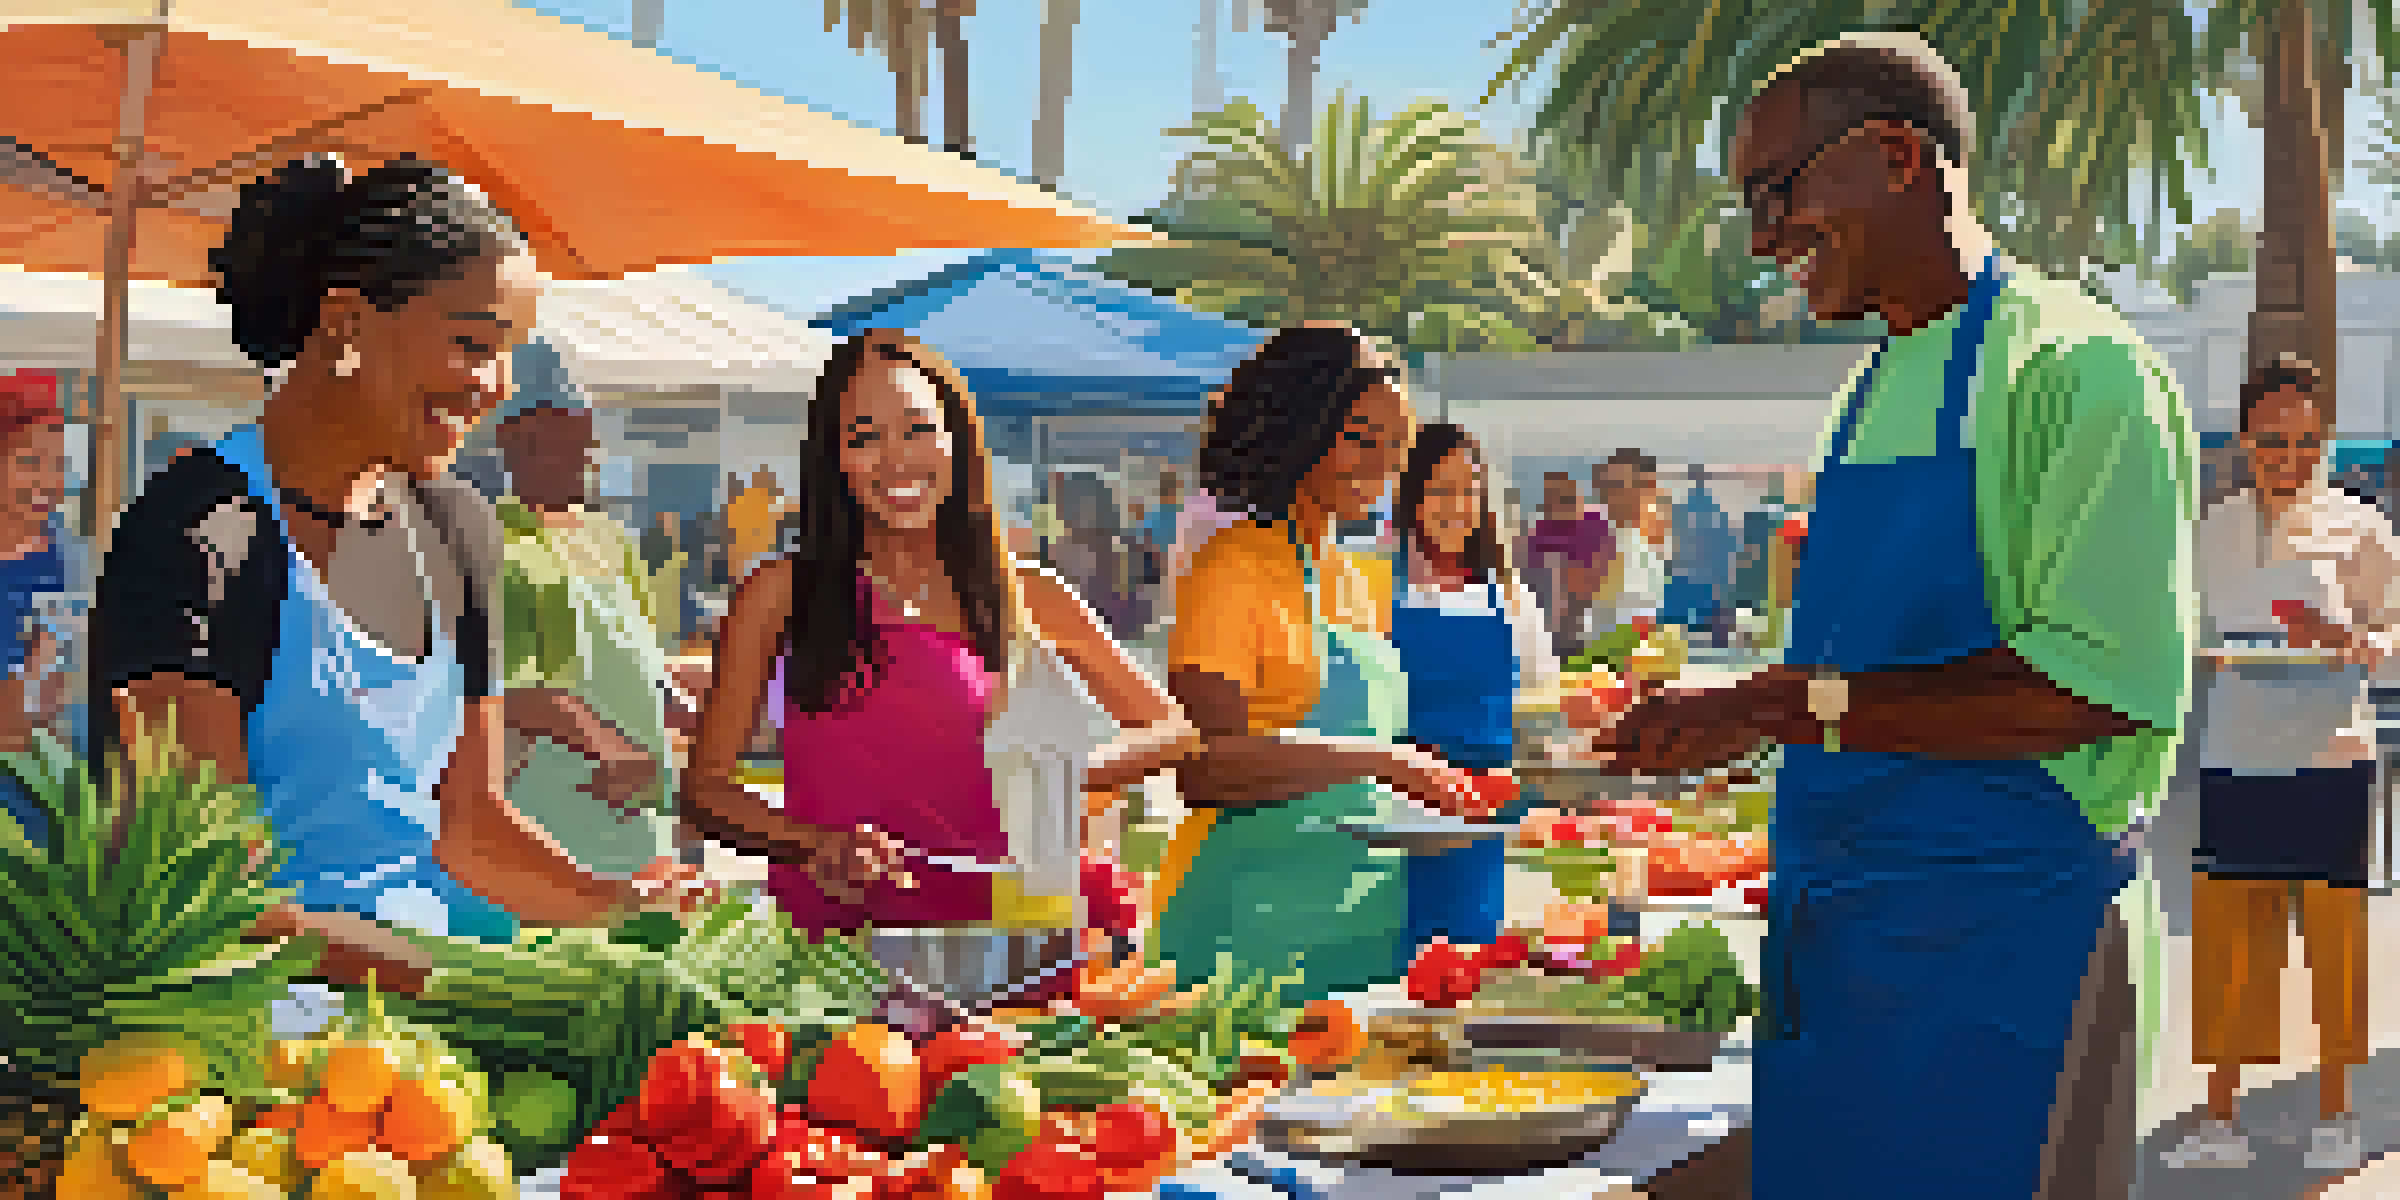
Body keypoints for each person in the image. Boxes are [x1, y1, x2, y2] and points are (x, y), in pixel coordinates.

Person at [1598, 35, 2197, 1196]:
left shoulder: (2078, 370)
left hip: (2008, 961)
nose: (1766, 237)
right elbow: (1862, 678)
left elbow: (2091, 686)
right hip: (1844, 960)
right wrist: (1745, 717)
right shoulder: (1862, 399)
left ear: (1894, 155)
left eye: (1778, 192)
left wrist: (1784, 704)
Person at [88, 156, 711, 991]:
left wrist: (621, 906)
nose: (495, 390)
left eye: (508, 356)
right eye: (471, 344)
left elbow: (473, 832)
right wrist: (460, 981)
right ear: (345, 323)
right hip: (241, 1057)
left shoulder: (459, 531)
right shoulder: (200, 534)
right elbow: (207, 888)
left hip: (425, 1039)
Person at [679, 330, 1199, 950]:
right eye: (864, 438)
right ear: (834, 460)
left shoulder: (1025, 591)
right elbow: (705, 789)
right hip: (841, 958)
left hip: (1013, 942)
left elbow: (1173, 730)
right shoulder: (781, 591)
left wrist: (1060, 770)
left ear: (958, 441)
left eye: (918, 429)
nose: (896, 460)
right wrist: (814, 844)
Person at [1152, 325, 1483, 1005]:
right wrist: (1382, 762)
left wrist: (1425, 782)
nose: (1384, 466)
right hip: (1242, 930)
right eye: (1362, 439)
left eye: (1396, 447)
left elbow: (1346, 762)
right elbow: (1204, 766)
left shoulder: (1354, 577)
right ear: (1298, 430)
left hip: (1358, 926)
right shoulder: (1232, 566)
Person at [2163, 354, 2389, 1171]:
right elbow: (2179, 628)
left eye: (2306, 443)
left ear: (2326, 440)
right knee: (2229, 950)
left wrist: (2351, 643)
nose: (2289, 459)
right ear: (2244, 439)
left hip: (2331, 764)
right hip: (2234, 762)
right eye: (2271, 443)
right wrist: (2204, 654)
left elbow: (2395, 639)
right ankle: (2218, 1122)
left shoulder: (2360, 528)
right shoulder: (2211, 529)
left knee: (2335, 947)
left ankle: (2338, 1111)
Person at [493, 384, 702, 895]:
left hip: (643, 807)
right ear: (511, 439)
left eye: (585, 439)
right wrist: (608, 746)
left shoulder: (608, 535)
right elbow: (508, 692)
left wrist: (692, 723)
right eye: (558, 438)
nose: (582, 456)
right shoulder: (491, 541)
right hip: (553, 801)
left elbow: (645, 661)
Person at [1388, 423, 1561, 954]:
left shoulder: (1508, 597)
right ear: (1410, 497)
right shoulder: (1375, 587)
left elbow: (1543, 697)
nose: (1455, 505)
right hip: (1389, 808)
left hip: (1477, 814)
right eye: (1440, 489)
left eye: (1468, 489)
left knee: (1461, 958)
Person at [0, 375, 80, 849]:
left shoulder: (73, 560)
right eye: (30, 462)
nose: (49, 483)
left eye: (58, 466)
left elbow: (51, 697)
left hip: (41, 802)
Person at [1520, 472, 1607, 658]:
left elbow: (1596, 577)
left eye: (1567, 499)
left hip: (1589, 623)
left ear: (1580, 499)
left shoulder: (1596, 526)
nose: (1560, 506)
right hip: (1553, 629)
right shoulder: (1536, 536)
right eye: (1552, 501)